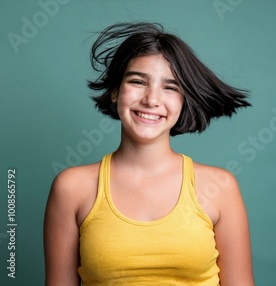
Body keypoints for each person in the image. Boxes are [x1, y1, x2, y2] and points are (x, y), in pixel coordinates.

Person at [44, 22, 254, 286]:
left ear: (183, 100)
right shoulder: (71, 188)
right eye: (137, 81)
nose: (151, 99)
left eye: (170, 87)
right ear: (114, 91)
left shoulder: (221, 187)